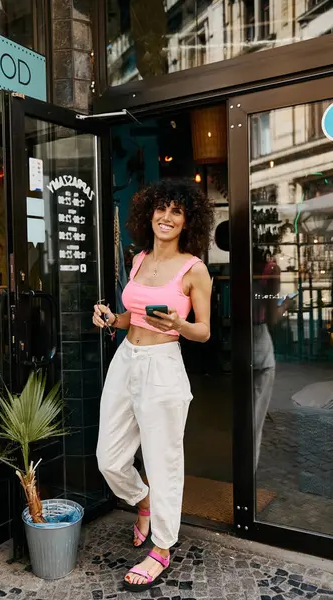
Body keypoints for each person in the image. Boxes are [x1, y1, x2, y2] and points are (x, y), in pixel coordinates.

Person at [93, 180, 213, 592]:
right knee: (108, 457)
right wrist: (110, 318)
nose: (166, 217)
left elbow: (204, 332)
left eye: (176, 211)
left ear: (187, 221)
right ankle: (140, 499)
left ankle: (162, 547)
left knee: (164, 462)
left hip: (163, 365)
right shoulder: (139, 258)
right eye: (161, 208)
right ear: (149, 213)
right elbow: (133, 315)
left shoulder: (194, 269)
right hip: (125, 359)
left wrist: (179, 324)